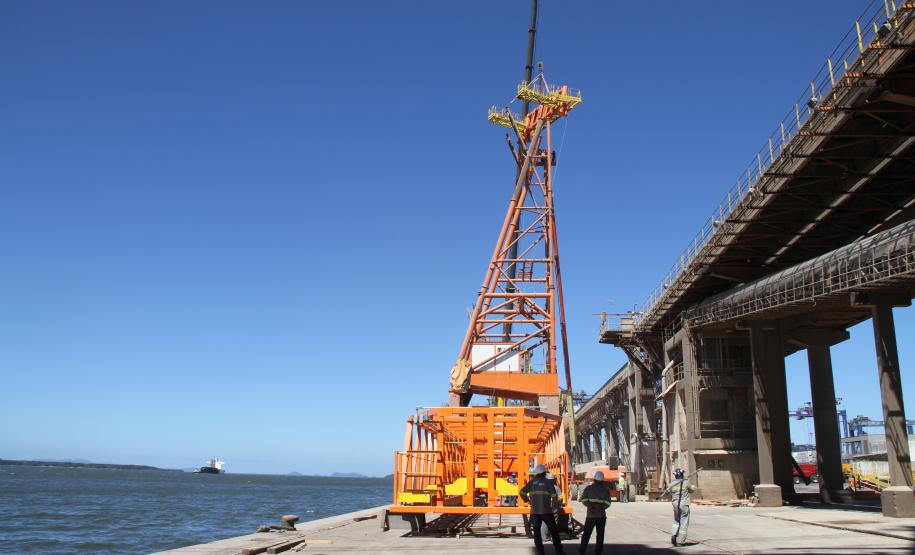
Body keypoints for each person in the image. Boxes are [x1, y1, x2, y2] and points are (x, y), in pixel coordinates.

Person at [520, 464, 565, 555]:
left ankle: (540, 551)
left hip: (535, 512)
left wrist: (528, 501)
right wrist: (554, 508)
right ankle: (559, 551)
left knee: (536, 532)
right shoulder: (548, 482)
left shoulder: (531, 482)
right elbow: (554, 496)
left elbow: (521, 492)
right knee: (554, 531)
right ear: (544, 472)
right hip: (546, 512)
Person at [578, 471, 611, 555]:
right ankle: (598, 552)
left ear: (594, 479)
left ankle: (582, 551)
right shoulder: (605, 490)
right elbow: (608, 503)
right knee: (600, 536)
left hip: (590, 516)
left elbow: (584, 500)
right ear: (602, 480)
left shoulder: (588, 488)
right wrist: (600, 508)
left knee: (586, 535)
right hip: (601, 516)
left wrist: (591, 506)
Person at [663, 468, 697, 547]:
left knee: (676, 520)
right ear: (682, 475)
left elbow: (667, 492)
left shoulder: (672, 484)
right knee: (684, 522)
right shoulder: (686, 482)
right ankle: (680, 541)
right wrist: (692, 486)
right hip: (684, 504)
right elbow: (692, 490)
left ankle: (674, 535)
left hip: (675, 505)